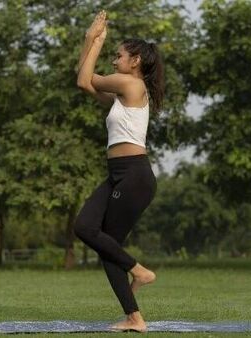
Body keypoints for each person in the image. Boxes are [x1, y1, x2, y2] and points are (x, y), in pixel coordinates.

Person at [74, 10, 164, 333]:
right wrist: (92, 41)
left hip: (135, 176)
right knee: (89, 230)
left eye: (119, 55)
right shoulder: (121, 96)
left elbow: (86, 78)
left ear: (136, 60)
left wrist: (93, 39)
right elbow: (82, 80)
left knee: (103, 241)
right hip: (119, 175)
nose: (115, 61)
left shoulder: (131, 84)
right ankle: (134, 317)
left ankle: (138, 274)